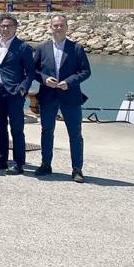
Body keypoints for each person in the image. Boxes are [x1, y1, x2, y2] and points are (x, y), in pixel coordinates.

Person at [34, 15, 91, 183]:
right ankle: (46, 164)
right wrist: (44, 79)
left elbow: (86, 72)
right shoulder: (41, 48)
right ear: (50, 27)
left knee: (75, 134)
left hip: (70, 96)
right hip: (48, 96)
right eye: (55, 25)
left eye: (61, 25)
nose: (58, 28)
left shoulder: (77, 48)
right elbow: (33, 71)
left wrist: (69, 82)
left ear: (67, 27)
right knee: (47, 131)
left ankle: (77, 169)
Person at [0, 14, 35, 175]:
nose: (5, 29)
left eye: (9, 26)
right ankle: (2, 158)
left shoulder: (23, 47)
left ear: (15, 28)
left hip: (14, 92)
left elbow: (30, 72)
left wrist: (23, 89)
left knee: (16, 128)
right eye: (3, 26)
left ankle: (19, 163)